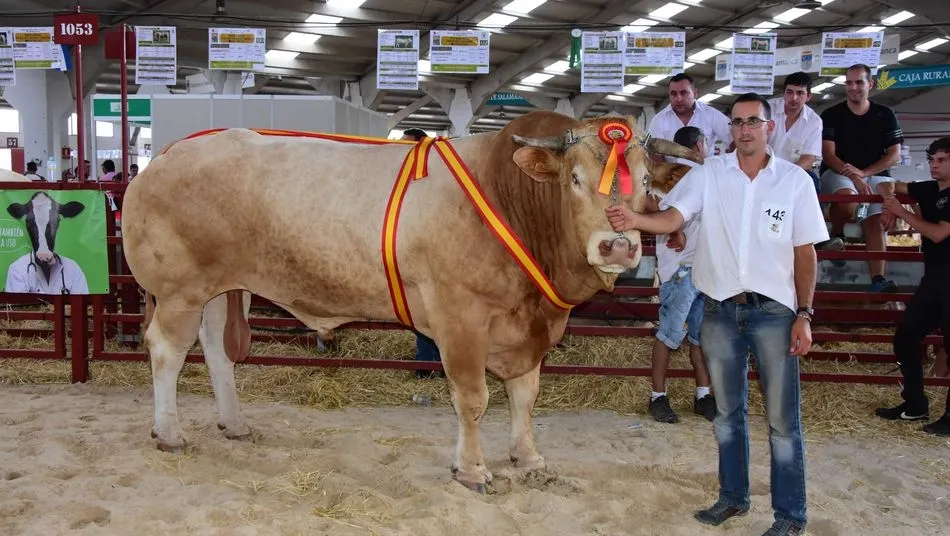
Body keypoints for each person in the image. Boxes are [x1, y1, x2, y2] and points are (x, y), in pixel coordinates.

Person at [606, 93, 828, 536]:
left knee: (783, 421)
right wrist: (631, 218)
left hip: (776, 314)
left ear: (769, 128)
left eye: (753, 122)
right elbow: (673, 218)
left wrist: (804, 313)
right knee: (728, 414)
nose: (744, 129)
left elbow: (805, 255)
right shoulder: (710, 175)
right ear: (730, 130)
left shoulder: (795, 181)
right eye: (737, 122)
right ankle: (733, 498)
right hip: (720, 310)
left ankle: (790, 516)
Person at [874, 137, 950, 436]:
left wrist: (903, 213)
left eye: (942, 160)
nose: (934, 164)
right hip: (934, 278)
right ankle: (915, 404)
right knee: (906, 336)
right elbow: (885, 182)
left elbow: (937, 234)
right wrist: (889, 201)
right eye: (932, 159)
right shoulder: (929, 188)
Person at [646, 125, 715, 423]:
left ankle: (699, 395)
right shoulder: (692, 173)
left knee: (687, 335)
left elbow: (650, 203)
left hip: (690, 265)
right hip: (685, 267)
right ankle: (662, 397)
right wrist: (676, 229)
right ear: (700, 146)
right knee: (678, 335)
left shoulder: (668, 173)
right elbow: (662, 209)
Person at [819, 64, 903, 290]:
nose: (853, 87)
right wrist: (855, 177)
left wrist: (865, 174)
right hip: (838, 172)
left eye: (859, 82)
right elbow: (828, 154)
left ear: (870, 84)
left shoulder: (885, 114)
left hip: (874, 175)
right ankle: (837, 236)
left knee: (874, 220)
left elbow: (895, 154)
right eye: (849, 83)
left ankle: (878, 279)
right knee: (848, 198)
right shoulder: (831, 114)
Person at [400, 127, 444, 379]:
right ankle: (427, 367)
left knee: (435, 314)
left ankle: (431, 366)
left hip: (433, 254)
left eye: (407, 146)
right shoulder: (410, 178)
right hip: (418, 254)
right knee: (423, 312)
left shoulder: (427, 177)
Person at [648, 73, 733, 159]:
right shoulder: (658, 120)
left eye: (683, 93)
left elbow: (735, 139)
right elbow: (654, 154)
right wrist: (668, 171)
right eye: (674, 94)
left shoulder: (712, 115)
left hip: (705, 170)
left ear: (695, 93)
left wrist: (728, 164)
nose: (678, 99)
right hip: (672, 171)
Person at [767, 72, 823, 196]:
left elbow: (808, 159)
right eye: (790, 92)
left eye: (800, 93)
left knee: (813, 184)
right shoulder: (767, 109)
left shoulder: (814, 121)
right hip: (764, 168)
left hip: (794, 171)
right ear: (784, 93)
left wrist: (785, 176)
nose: (794, 98)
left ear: (809, 96)